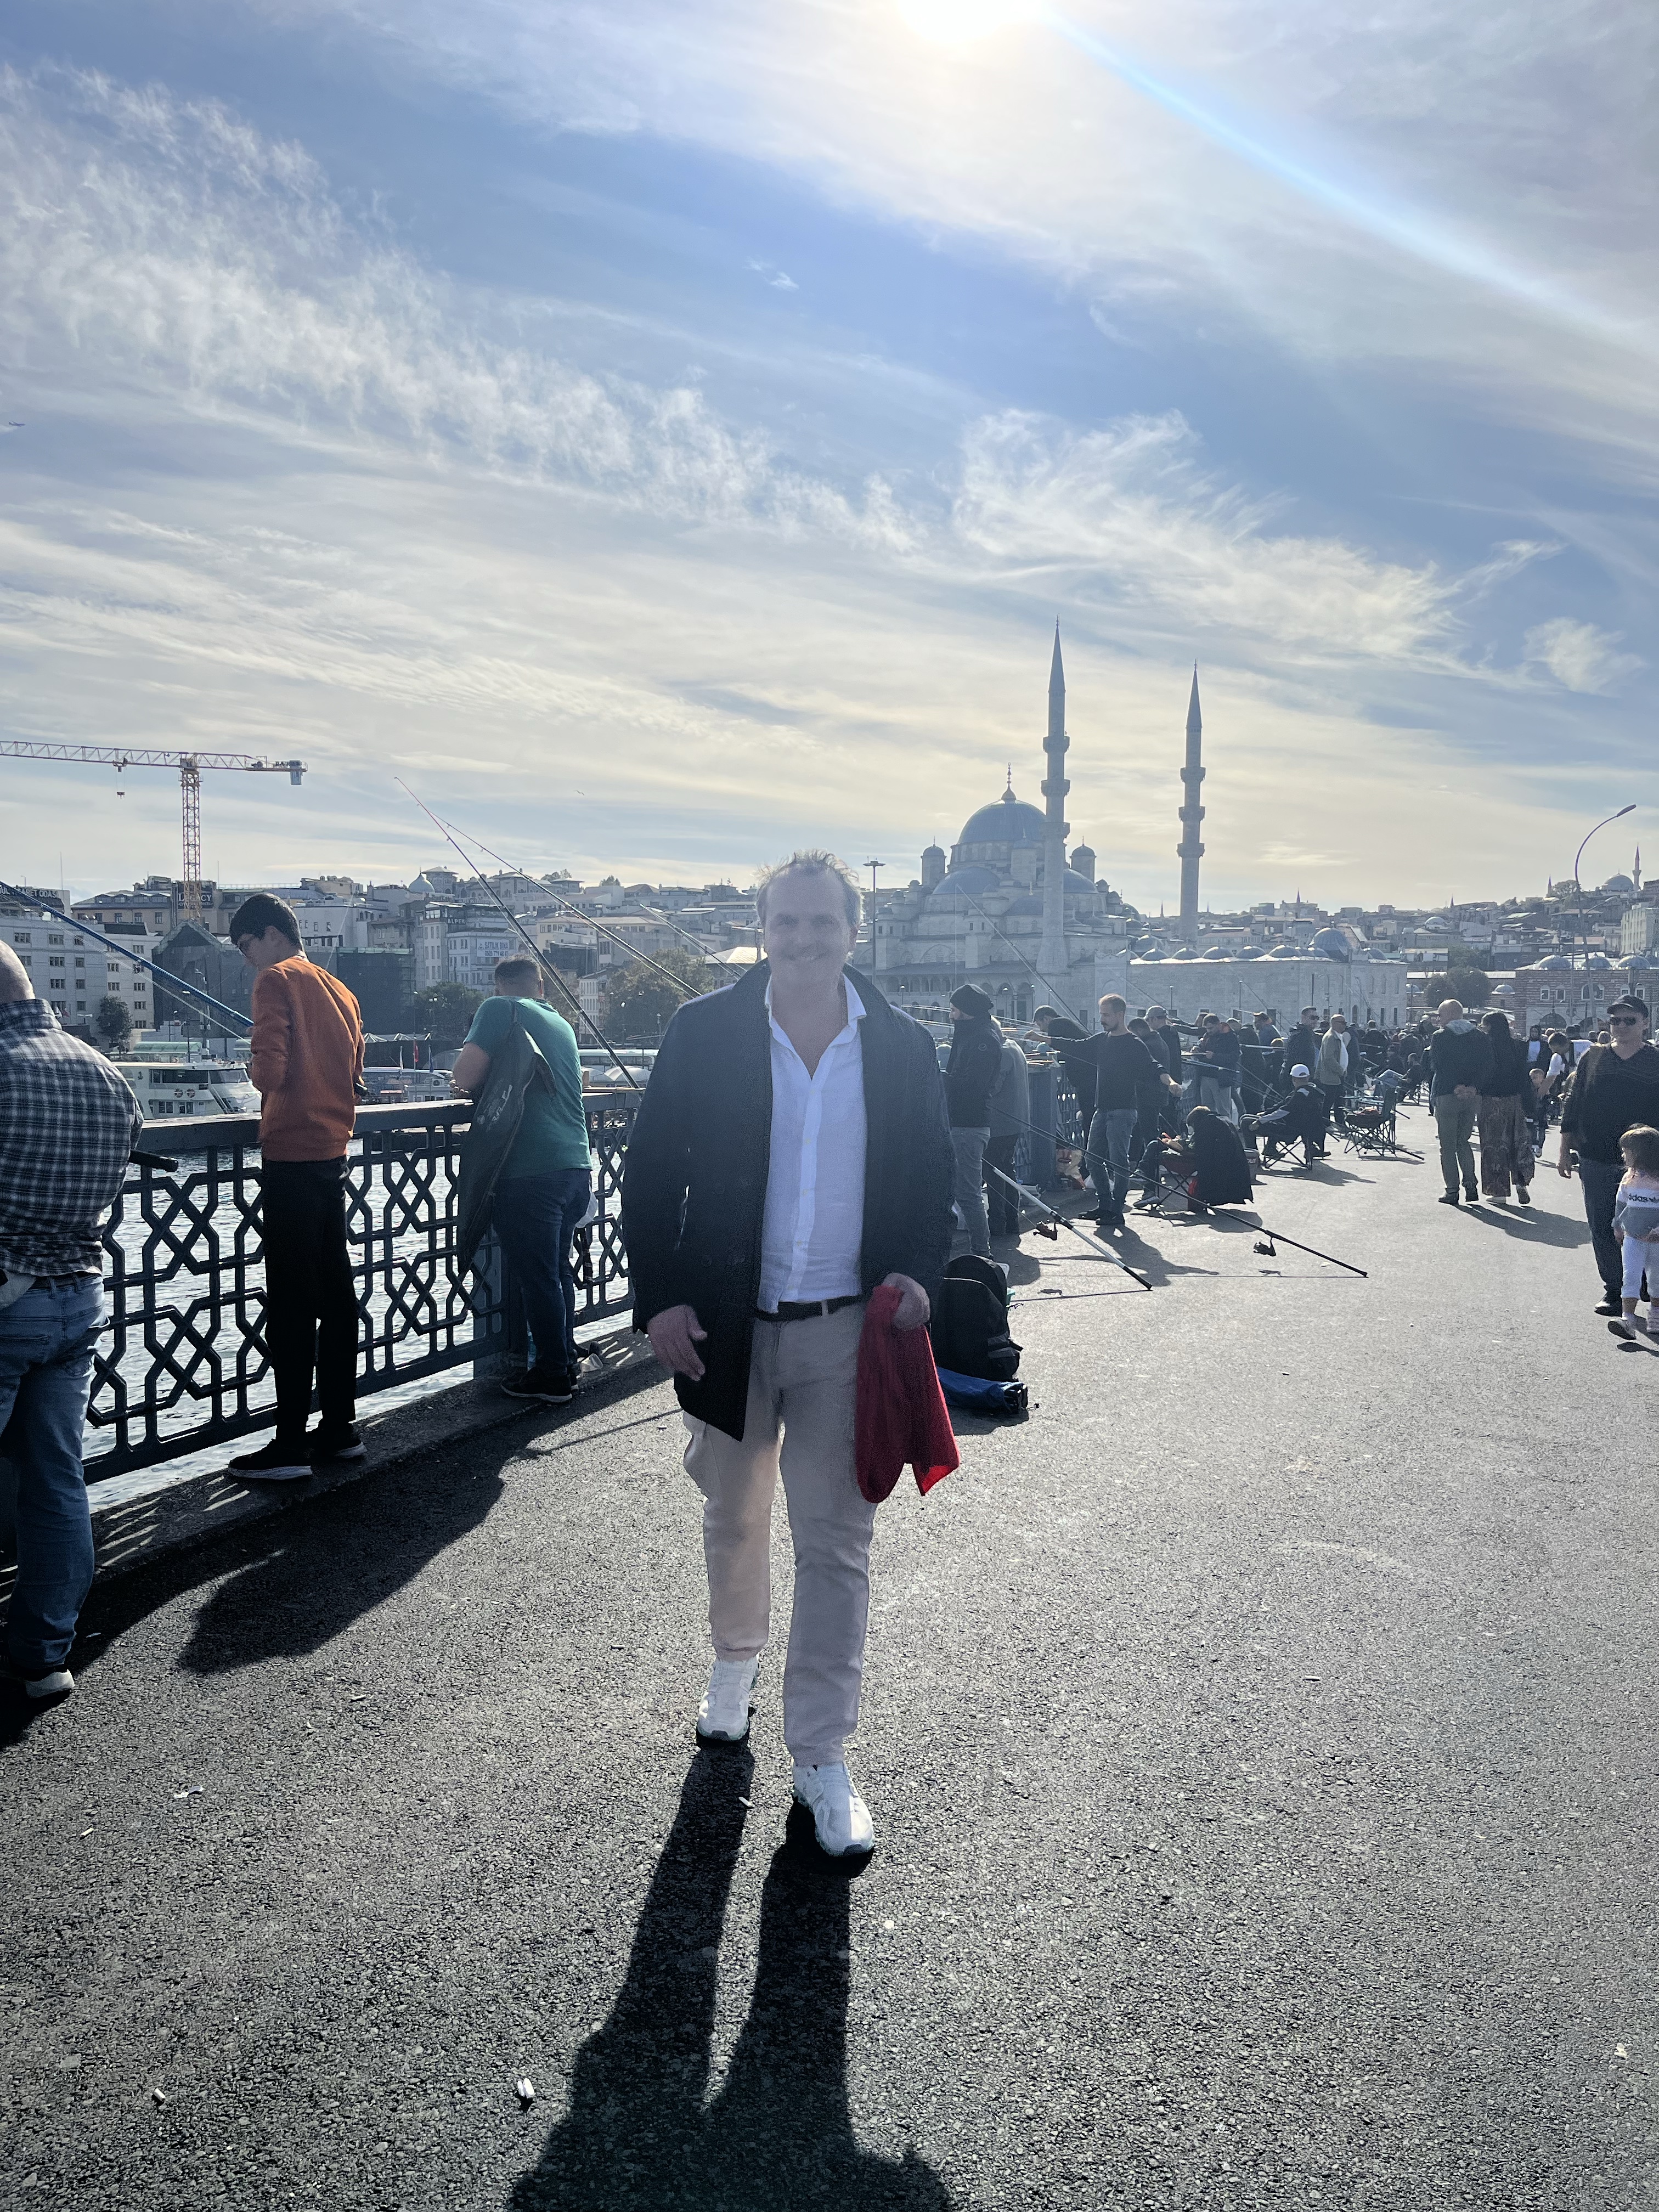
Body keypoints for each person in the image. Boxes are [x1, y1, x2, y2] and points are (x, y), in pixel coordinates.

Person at [619, 850, 952, 1860]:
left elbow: (929, 1176)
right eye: (785, 922)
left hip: (846, 1326)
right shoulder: (705, 1029)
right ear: (762, 929)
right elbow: (650, 1169)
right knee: (732, 1514)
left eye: (821, 922)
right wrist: (658, 1297)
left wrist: (919, 1275)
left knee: (836, 1541)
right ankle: (735, 1661)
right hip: (726, 1321)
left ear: (854, 930)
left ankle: (821, 1753)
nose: (803, 939)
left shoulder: (900, 1043)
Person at [0, 942, 142, 1702]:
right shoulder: (105, 1072)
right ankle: (43, 1658)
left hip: (6, 1299)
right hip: (77, 1298)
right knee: (57, 1480)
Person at [227, 894, 366, 1481]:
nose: (248, 961)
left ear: (269, 935)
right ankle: (339, 1429)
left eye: (246, 947)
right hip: (333, 1152)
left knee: (290, 1303)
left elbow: (270, 1071)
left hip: (290, 1156)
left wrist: (251, 1066)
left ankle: (288, 1446)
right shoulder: (342, 991)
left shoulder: (276, 980)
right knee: (336, 1298)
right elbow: (355, 1075)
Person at [452, 954, 594, 1405]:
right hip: (575, 1165)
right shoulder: (561, 1024)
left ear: (499, 987)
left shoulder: (500, 1009)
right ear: (542, 987)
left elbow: (464, 1075)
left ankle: (552, 1376)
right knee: (556, 1271)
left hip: (530, 1168)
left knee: (538, 1277)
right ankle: (564, 1360)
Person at [1558, 996, 1659, 1315]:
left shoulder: (1655, 1060)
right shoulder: (1594, 1058)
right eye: (1616, 1020)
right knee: (1603, 1224)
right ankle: (1615, 1290)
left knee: (1649, 1224)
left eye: (1630, 1020)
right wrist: (1564, 1149)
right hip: (1597, 1153)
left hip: (1648, 1160)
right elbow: (1574, 1103)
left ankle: (1646, 1285)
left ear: (1645, 1023)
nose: (1621, 1026)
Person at [1051, 995, 1161, 1231]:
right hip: (1101, 1110)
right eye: (1101, 1014)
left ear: (1120, 1015)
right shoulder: (1102, 1040)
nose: (1102, 1019)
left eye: (1106, 1015)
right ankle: (1104, 1204)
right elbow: (1076, 1045)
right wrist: (1045, 1039)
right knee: (1092, 1159)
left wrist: (1170, 1082)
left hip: (1123, 1111)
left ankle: (1117, 1209)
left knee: (1119, 1162)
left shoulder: (1134, 1043)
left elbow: (1153, 1066)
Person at [944, 984, 1003, 1259]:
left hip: (969, 1126)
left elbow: (974, 1086)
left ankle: (982, 1254)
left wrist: (941, 1079)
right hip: (958, 1123)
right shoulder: (971, 1035)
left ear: (967, 1012)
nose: (951, 1016)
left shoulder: (983, 1041)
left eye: (954, 1010)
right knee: (953, 1191)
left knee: (968, 1194)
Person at [1426, 999, 1492, 1207]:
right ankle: (1471, 1186)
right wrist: (1474, 1087)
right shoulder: (1480, 1036)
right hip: (1471, 1096)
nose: (1439, 1020)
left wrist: (1456, 1086)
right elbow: (1487, 1065)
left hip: (1447, 1094)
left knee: (1447, 1146)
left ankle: (1452, 1190)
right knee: (1463, 1142)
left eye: (1441, 1015)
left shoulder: (1441, 1036)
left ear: (1450, 1014)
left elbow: (1438, 1065)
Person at [1476, 1011, 1534, 1204]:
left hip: (1490, 1101)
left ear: (1490, 1027)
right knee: (1516, 1143)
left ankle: (1498, 1191)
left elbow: (1483, 1073)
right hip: (1514, 1101)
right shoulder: (1518, 1046)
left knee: (1494, 1146)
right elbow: (1523, 1075)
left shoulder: (1486, 1046)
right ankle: (1521, 1183)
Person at [1607, 1125, 1659, 1341]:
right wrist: (1618, 1226)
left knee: (1656, 1280)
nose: (1623, 1155)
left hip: (1656, 1242)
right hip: (1633, 1238)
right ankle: (1627, 1319)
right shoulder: (1629, 1178)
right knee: (1630, 1277)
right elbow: (1621, 1204)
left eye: (1626, 1152)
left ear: (1640, 1154)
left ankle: (1656, 1315)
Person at [984, 1029, 1030, 1240]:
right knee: (1007, 1170)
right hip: (1015, 1121)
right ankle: (1012, 1221)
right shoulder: (1014, 1047)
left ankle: (997, 1221)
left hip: (1000, 1124)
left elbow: (993, 1087)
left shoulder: (1002, 1053)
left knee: (993, 1172)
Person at [1254, 1065, 1325, 1167]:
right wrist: (1266, 1113)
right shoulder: (1308, 1091)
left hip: (1290, 1130)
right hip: (1299, 1128)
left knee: (1246, 1122)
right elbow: (1283, 1104)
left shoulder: (1301, 1094)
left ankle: (1253, 1159)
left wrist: (1260, 1121)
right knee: (1250, 1119)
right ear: (1308, 1077)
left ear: (1294, 1079)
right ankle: (1268, 1150)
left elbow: (1285, 1110)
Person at [1315, 1014, 1350, 1131]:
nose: (1344, 1025)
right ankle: (1325, 1125)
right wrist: (1340, 1070)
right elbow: (1329, 1058)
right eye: (1342, 1023)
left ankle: (1341, 1124)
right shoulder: (1330, 1037)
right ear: (1334, 1023)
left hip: (1337, 1076)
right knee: (1328, 1102)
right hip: (1330, 1077)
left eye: (1345, 1023)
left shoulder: (1338, 1036)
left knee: (1339, 1102)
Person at [1282, 1007, 1320, 1092]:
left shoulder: (1310, 1035)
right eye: (1312, 1018)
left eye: (1317, 1018)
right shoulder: (1298, 1036)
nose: (1315, 1021)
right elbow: (1291, 1059)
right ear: (1304, 1018)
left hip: (1307, 1077)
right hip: (1297, 1079)